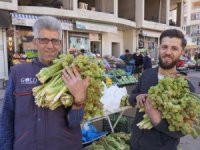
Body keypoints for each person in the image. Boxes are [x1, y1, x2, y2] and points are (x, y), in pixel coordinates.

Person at [0, 16, 89, 150]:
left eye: (55, 41)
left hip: (65, 145)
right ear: (35, 42)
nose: (50, 46)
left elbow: (75, 122)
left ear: (60, 44)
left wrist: (79, 100)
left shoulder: (74, 73)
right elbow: (7, 118)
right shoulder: (18, 73)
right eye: (44, 40)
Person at [129, 29, 195, 150]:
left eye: (174, 48)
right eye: (164, 47)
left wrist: (157, 120)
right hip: (135, 144)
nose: (168, 52)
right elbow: (132, 97)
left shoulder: (186, 86)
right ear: (159, 49)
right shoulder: (147, 74)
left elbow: (183, 130)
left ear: (181, 52)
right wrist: (136, 97)